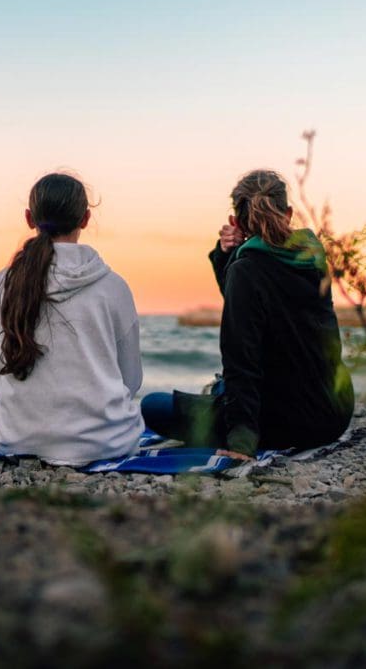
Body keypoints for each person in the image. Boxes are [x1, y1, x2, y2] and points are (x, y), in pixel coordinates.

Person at [141, 169, 354, 458]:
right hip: (335, 413)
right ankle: (220, 392)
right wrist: (231, 255)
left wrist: (242, 442)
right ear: (288, 213)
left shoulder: (247, 269)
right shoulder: (312, 256)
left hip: (290, 422)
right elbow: (250, 305)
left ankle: (224, 399)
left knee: (152, 406)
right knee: (225, 387)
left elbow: (241, 358)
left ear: (236, 221)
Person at [0, 172, 144, 465]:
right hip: (104, 441)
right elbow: (131, 379)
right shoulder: (113, 286)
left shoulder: (0, 284)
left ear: (29, 218)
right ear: (84, 219)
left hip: (17, 438)